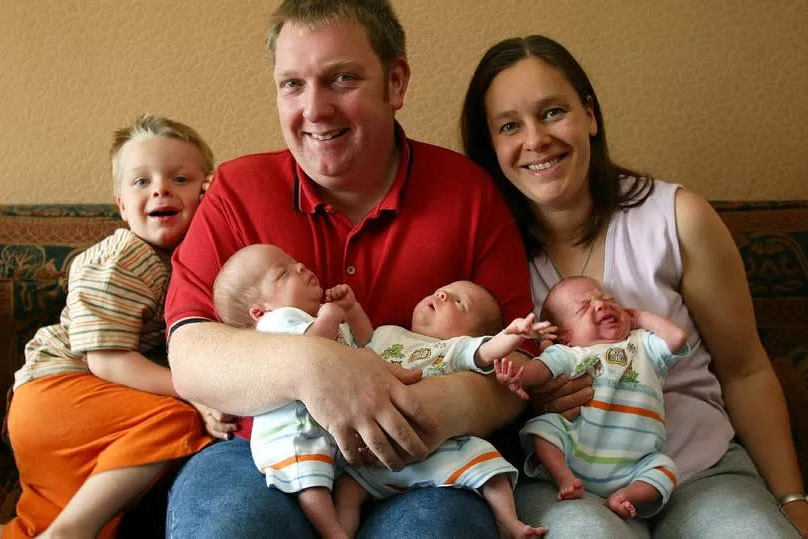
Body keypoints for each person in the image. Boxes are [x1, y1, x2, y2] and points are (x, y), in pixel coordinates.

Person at [164, 1, 537, 536]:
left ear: (396, 81)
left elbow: (520, 363)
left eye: (341, 79)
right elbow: (191, 354)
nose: (314, 110)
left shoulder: (470, 194)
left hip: (422, 459)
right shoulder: (236, 191)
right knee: (229, 525)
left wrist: (428, 407)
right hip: (263, 452)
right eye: (292, 84)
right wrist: (318, 368)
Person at [461, 34, 807, 536]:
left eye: (553, 112)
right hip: (569, 484)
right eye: (509, 125)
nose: (535, 139)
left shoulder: (676, 216)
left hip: (700, 471)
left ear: (590, 116)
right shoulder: (488, 252)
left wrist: (793, 500)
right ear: (491, 148)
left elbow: (746, 371)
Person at [212, 243, 554, 538]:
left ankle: (508, 520)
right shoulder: (387, 333)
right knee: (347, 489)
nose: (442, 294)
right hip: (362, 452)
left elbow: (486, 352)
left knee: (486, 462)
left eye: (460, 303)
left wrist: (513, 334)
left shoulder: (453, 349)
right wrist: (350, 310)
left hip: (429, 444)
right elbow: (365, 339)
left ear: (470, 331)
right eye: (441, 290)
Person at [2, 115, 222, 539]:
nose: (160, 188)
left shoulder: (188, 262)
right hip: (59, 389)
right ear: (120, 204)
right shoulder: (123, 256)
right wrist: (196, 391)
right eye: (141, 182)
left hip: (75, 411)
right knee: (178, 421)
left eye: (180, 178)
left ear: (207, 191)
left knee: (41, 520)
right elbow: (107, 361)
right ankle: (73, 531)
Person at [495, 276, 689, 520]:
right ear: (565, 336)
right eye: (584, 307)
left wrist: (639, 318)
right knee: (543, 430)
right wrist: (518, 376)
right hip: (578, 450)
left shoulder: (644, 345)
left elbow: (677, 338)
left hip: (637, 462)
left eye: (609, 300)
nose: (601, 305)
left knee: (665, 470)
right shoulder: (571, 353)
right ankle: (564, 477)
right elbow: (541, 369)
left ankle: (628, 496)